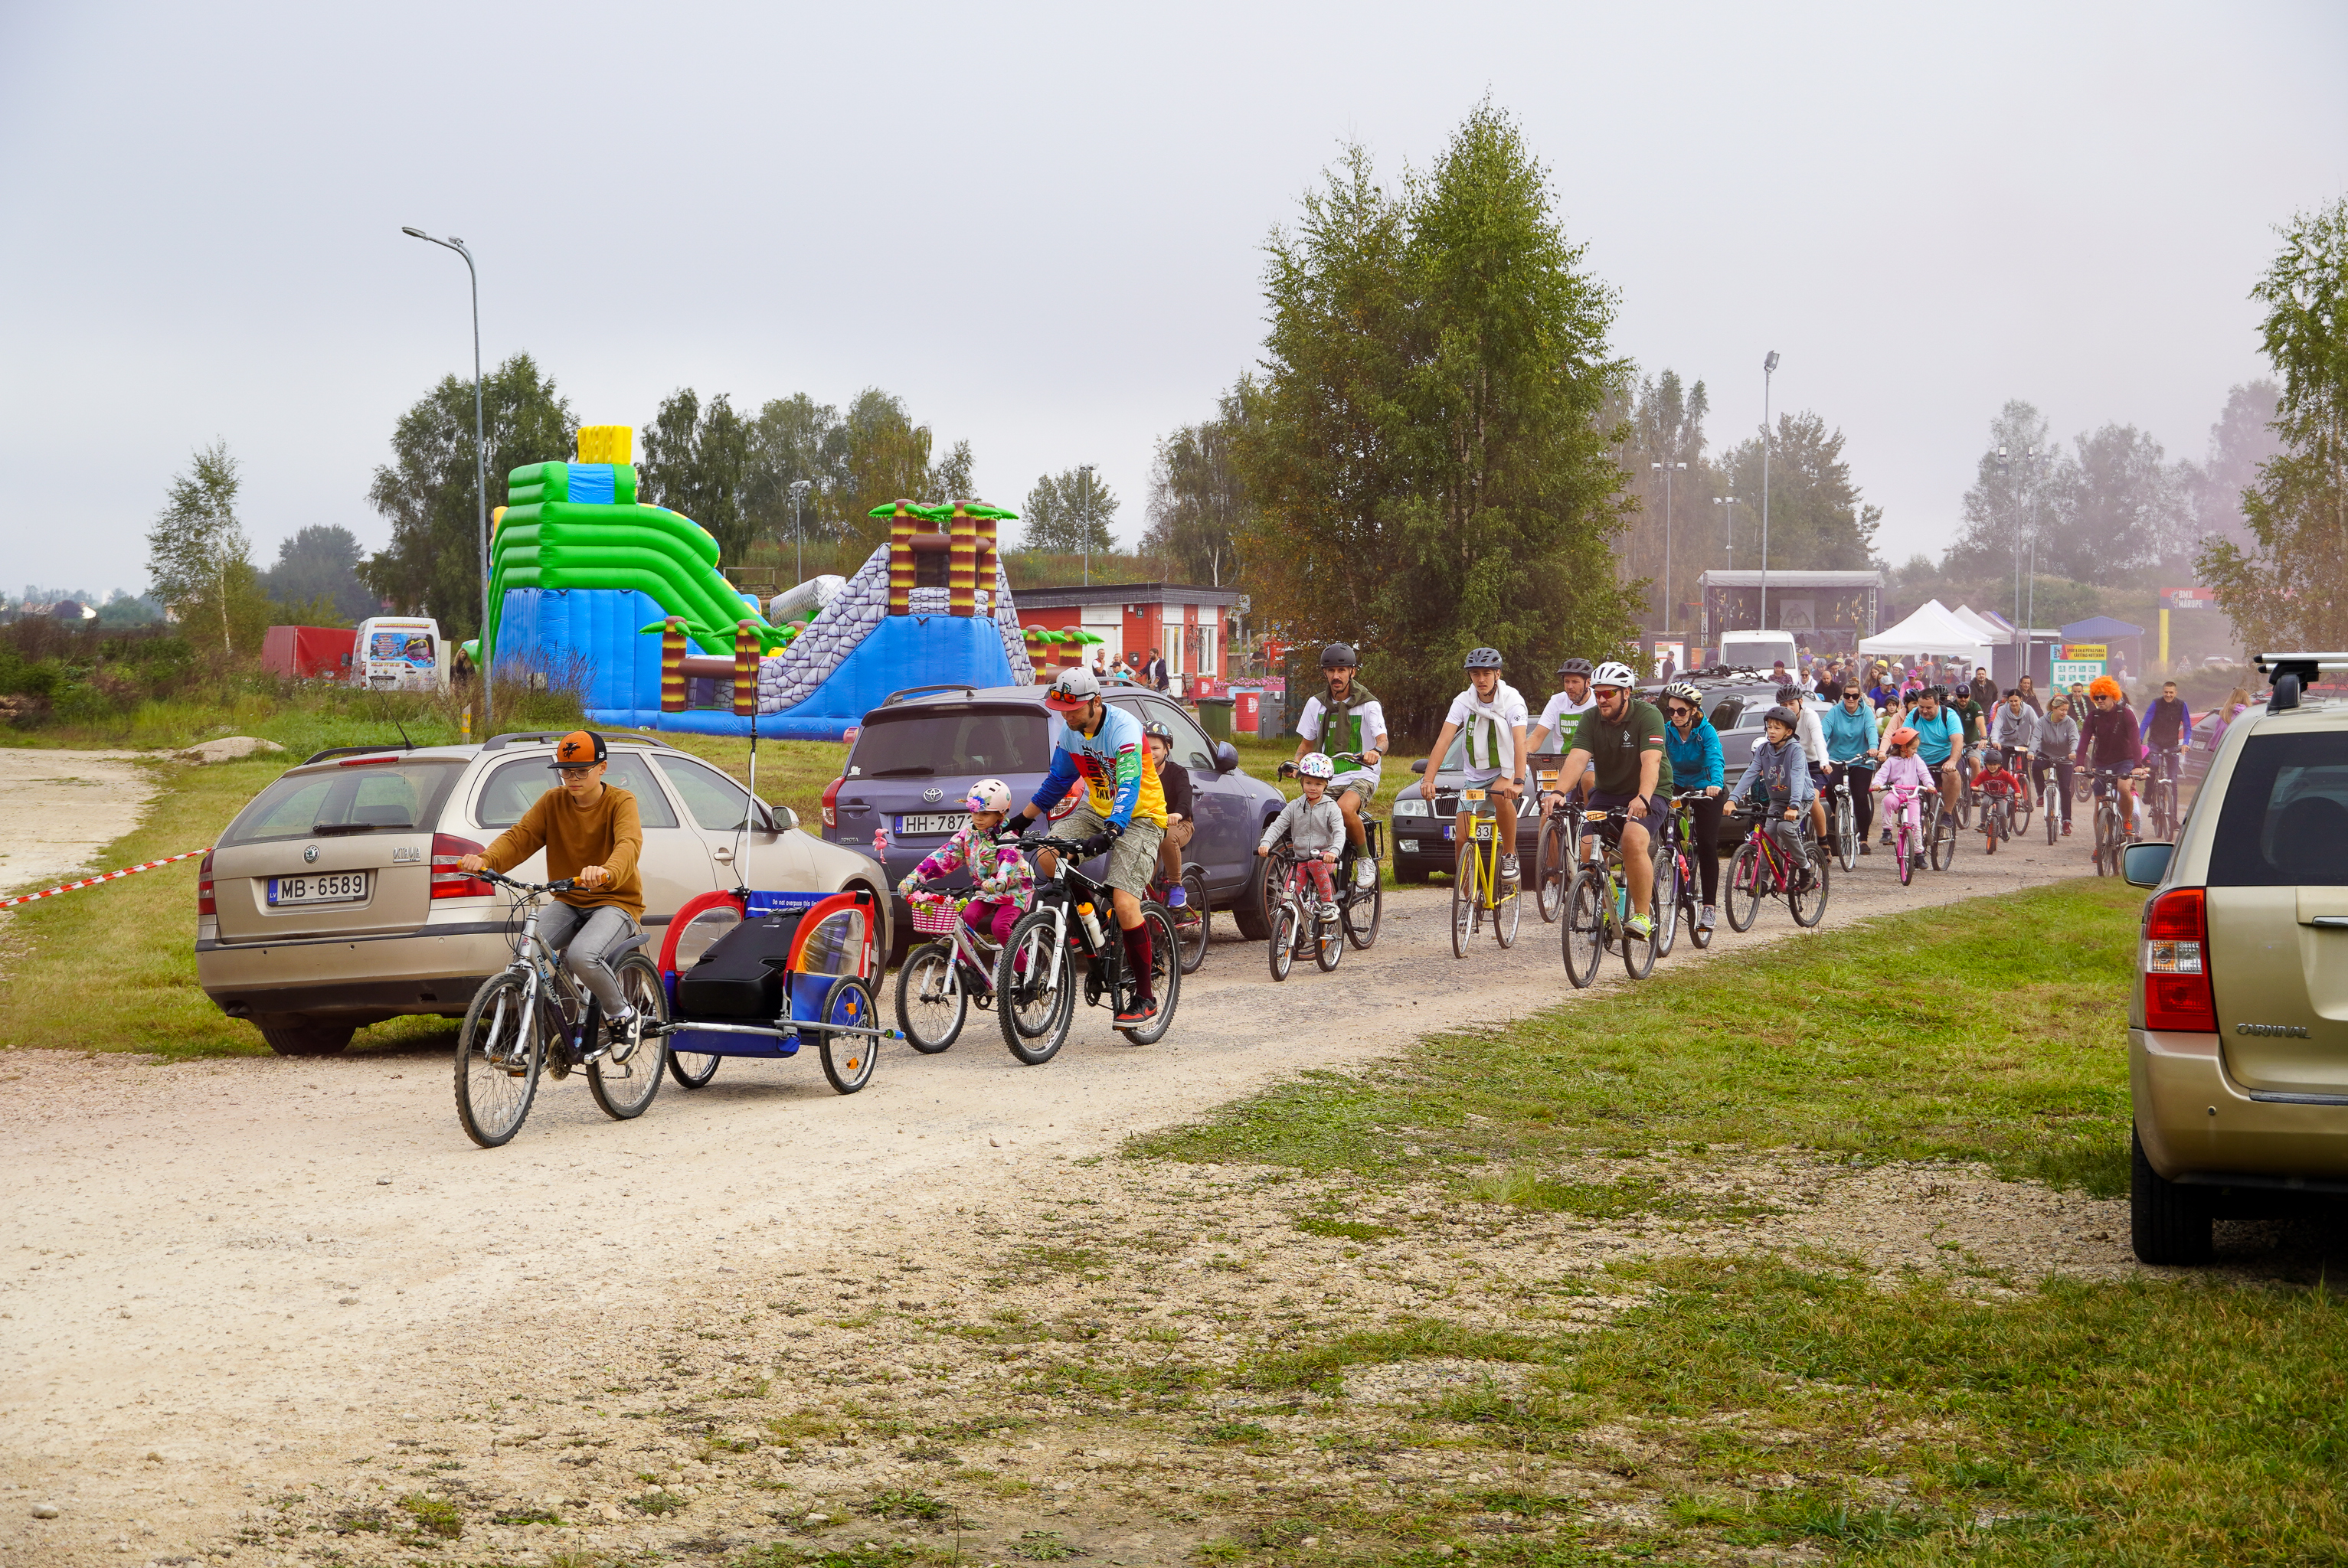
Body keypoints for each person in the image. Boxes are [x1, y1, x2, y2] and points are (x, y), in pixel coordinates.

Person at [456, 730, 649, 1053]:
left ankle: (621, 1014)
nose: (572, 778)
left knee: (582, 956)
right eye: (565, 771)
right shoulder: (553, 802)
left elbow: (629, 844)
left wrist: (607, 872)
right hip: (569, 899)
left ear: (602, 768)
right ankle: (552, 1029)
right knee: (528, 953)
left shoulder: (621, 802)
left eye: (581, 771)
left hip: (614, 900)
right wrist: (485, 860)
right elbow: (521, 837)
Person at [1006, 667, 1168, 1024]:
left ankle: (1145, 997)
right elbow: (1058, 781)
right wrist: (1023, 819)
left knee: (1126, 902)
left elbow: (1127, 784)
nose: (1067, 715)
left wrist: (1113, 831)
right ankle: (1090, 921)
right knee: (1048, 857)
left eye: (1074, 709)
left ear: (1096, 701)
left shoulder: (1124, 730)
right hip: (1096, 810)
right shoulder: (1071, 732)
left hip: (1140, 816)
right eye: (1061, 709)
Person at [1556, 662, 1674, 937]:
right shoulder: (1591, 718)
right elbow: (1577, 758)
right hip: (1607, 792)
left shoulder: (1648, 716)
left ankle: (1643, 917)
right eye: (1597, 693)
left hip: (1650, 791)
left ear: (1626, 693)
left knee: (1633, 840)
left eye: (1608, 694)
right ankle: (1612, 912)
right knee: (1588, 850)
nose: (1601, 699)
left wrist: (1643, 797)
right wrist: (1559, 792)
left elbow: (1652, 760)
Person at [1419, 647, 1530, 890]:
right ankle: (1467, 897)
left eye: (1487, 673)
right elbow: (1443, 741)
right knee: (1462, 837)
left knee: (1501, 796)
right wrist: (1428, 779)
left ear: (1497, 674)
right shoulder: (1463, 702)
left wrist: (1518, 781)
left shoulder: (1512, 702)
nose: (1481, 679)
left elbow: (1520, 743)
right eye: (1475, 674)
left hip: (1507, 769)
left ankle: (1509, 856)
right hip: (1475, 778)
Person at [898, 779, 1035, 957]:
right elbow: (944, 856)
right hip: (985, 889)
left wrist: (1001, 881)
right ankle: (965, 971)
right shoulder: (968, 835)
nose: (978, 818)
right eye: (974, 812)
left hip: (1014, 889)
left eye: (985, 814)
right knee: (965, 918)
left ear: (1001, 815)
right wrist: (916, 877)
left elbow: (1008, 860)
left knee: (999, 926)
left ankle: (1023, 972)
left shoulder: (1008, 837)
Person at [1292, 643, 1388, 889]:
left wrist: (1375, 752)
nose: (1336, 676)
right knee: (1305, 814)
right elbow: (1306, 745)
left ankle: (1365, 858)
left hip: (1361, 775)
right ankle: (1315, 870)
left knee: (1345, 809)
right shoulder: (1316, 704)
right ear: (1325, 673)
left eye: (1342, 670)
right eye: (1331, 670)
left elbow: (1383, 740)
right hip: (1328, 775)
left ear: (1352, 672)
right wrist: (1295, 764)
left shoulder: (1368, 704)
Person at [1660, 679, 1724, 931]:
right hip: (1675, 785)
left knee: (1708, 844)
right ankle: (1672, 862)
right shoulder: (1666, 731)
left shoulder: (1706, 731)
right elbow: (1654, 757)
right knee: (1662, 832)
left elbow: (1715, 756)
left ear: (1694, 711)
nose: (1675, 716)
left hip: (1706, 787)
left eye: (1681, 711)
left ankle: (1708, 907)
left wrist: (1716, 783)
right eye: (1671, 710)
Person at [1257, 752, 1345, 918]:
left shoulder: (1331, 807)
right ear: (1302, 782)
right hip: (1300, 860)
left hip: (1324, 859)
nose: (1313, 788)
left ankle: (1328, 904)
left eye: (1318, 784)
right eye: (1309, 783)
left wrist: (1334, 852)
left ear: (1326, 786)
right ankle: (1286, 935)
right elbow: (1278, 825)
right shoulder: (1295, 806)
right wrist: (1266, 843)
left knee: (1315, 864)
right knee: (1287, 897)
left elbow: (1340, 831)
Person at [1741, 705, 1817, 890]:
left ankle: (1805, 866)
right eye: (1769, 726)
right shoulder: (1763, 750)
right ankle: (1765, 878)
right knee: (1769, 834)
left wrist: (1794, 805)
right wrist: (1732, 798)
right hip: (1778, 800)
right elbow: (1751, 772)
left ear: (1788, 732)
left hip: (1801, 799)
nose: (1772, 731)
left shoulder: (1795, 750)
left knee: (1785, 828)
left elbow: (1798, 776)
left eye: (1777, 727)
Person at [2076, 674, 2149, 842]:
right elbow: (2084, 741)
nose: (2099, 700)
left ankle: (2127, 821)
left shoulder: (2126, 714)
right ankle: (2100, 844)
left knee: (2124, 788)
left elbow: (2135, 741)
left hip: (2125, 760)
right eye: (2096, 697)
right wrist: (2079, 763)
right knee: (2100, 803)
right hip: (2102, 762)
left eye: (2103, 697)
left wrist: (2138, 765)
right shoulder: (2093, 717)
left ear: (2113, 696)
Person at [1820, 681, 1882, 855]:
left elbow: (1871, 730)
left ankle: (1863, 839)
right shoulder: (1834, 712)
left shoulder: (1866, 713)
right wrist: (1819, 749)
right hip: (1836, 758)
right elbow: (1824, 731)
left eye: (1855, 696)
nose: (1850, 699)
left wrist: (1873, 747)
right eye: (1847, 695)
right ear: (1843, 696)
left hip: (1861, 759)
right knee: (1832, 787)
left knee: (1860, 796)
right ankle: (1835, 812)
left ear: (1860, 697)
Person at [1142, 721, 1195, 906]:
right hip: (1147, 826)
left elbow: (1185, 800)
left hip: (1177, 824)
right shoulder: (1137, 772)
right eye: (1145, 747)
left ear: (1167, 748)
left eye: (1155, 748)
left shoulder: (1177, 772)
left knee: (1166, 838)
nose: (1150, 752)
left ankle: (1175, 885)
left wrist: (1178, 814)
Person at [1872, 727, 1935, 872]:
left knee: (1915, 825)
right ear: (1903, 747)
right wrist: (1877, 784)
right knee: (1887, 802)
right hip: (1896, 793)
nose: (1915, 751)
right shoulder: (1891, 761)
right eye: (1913, 748)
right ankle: (1887, 831)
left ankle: (1919, 854)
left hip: (1912, 796)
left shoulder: (1916, 760)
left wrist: (1929, 785)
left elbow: (1924, 774)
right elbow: (1882, 774)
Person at [1905, 685, 1967, 821]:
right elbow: (1904, 738)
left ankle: (1947, 814)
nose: (1924, 711)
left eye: (1929, 708)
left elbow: (1957, 741)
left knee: (1952, 775)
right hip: (1921, 760)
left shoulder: (1949, 715)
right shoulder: (1914, 715)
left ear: (1938, 704)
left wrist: (1952, 761)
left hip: (1945, 757)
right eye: (1921, 707)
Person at [2139, 679, 2195, 808]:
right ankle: (2148, 793)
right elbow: (2145, 723)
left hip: (2172, 745)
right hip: (2155, 742)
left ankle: (2173, 819)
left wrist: (2185, 743)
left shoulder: (2181, 705)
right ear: (2162, 692)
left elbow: (2187, 727)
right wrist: (2139, 740)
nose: (2168, 695)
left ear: (2175, 693)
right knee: (2154, 765)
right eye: (2166, 692)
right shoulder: (2156, 703)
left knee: (2173, 781)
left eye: (2171, 692)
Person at [1526, 657, 1596, 759]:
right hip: (1562, 763)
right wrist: (1525, 755)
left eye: (1575, 682)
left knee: (1589, 774)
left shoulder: (1598, 700)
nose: (1570, 686)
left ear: (1588, 683)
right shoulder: (1557, 701)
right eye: (1566, 681)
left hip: (1590, 762)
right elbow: (1537, 737)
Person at [2038, 694, 2081, 837]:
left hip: (2065, 757)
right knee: (2035, 766)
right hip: (2046, 754)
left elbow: (2075, 738)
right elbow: (2035, 738)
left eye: (2066, 710)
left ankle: (2066, 821)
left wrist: (2073, 751)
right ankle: (2040, 795)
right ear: (2054, 709)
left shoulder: (2070, 723)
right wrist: (2032, 752)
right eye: (2062, 710)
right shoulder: (2043, 721)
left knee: (2065, 788)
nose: (2064, 713)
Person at [1990, 689, 2042, 806]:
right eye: (2011, 701)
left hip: (2022, 744)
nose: (2014, 704)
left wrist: (2034, 747)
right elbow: (1996, 727)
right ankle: (2000, 795)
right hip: (2005, 744)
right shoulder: (2002, 710)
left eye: (2016, 701)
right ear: (2007, 701)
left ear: (2021, 700)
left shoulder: (2028, 710)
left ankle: (2026, 798)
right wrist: (1995, 741)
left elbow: (2037, 727)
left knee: (2023, 770)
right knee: (2001, 769)